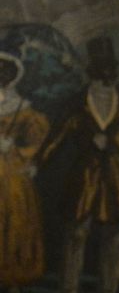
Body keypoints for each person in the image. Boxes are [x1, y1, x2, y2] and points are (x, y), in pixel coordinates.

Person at [39, 35, 119, 293]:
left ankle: (108, 288)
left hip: (117, 177)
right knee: (75, 234)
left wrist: (112, 141)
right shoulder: (77, 103)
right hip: (84, 176)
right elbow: (57, 137)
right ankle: (69, 288)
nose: (106, 77)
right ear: (92, 73)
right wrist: (37, 164)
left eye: (110, 70)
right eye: (101, 71)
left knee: (113, 237)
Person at [0, 51, 50, 290]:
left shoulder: (24, 107)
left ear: (14, 75)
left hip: (12, 173)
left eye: (5, 71)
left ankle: (12, 278)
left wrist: (17, 150)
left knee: (15, 221)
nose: (1, 75)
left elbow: (35, 142)